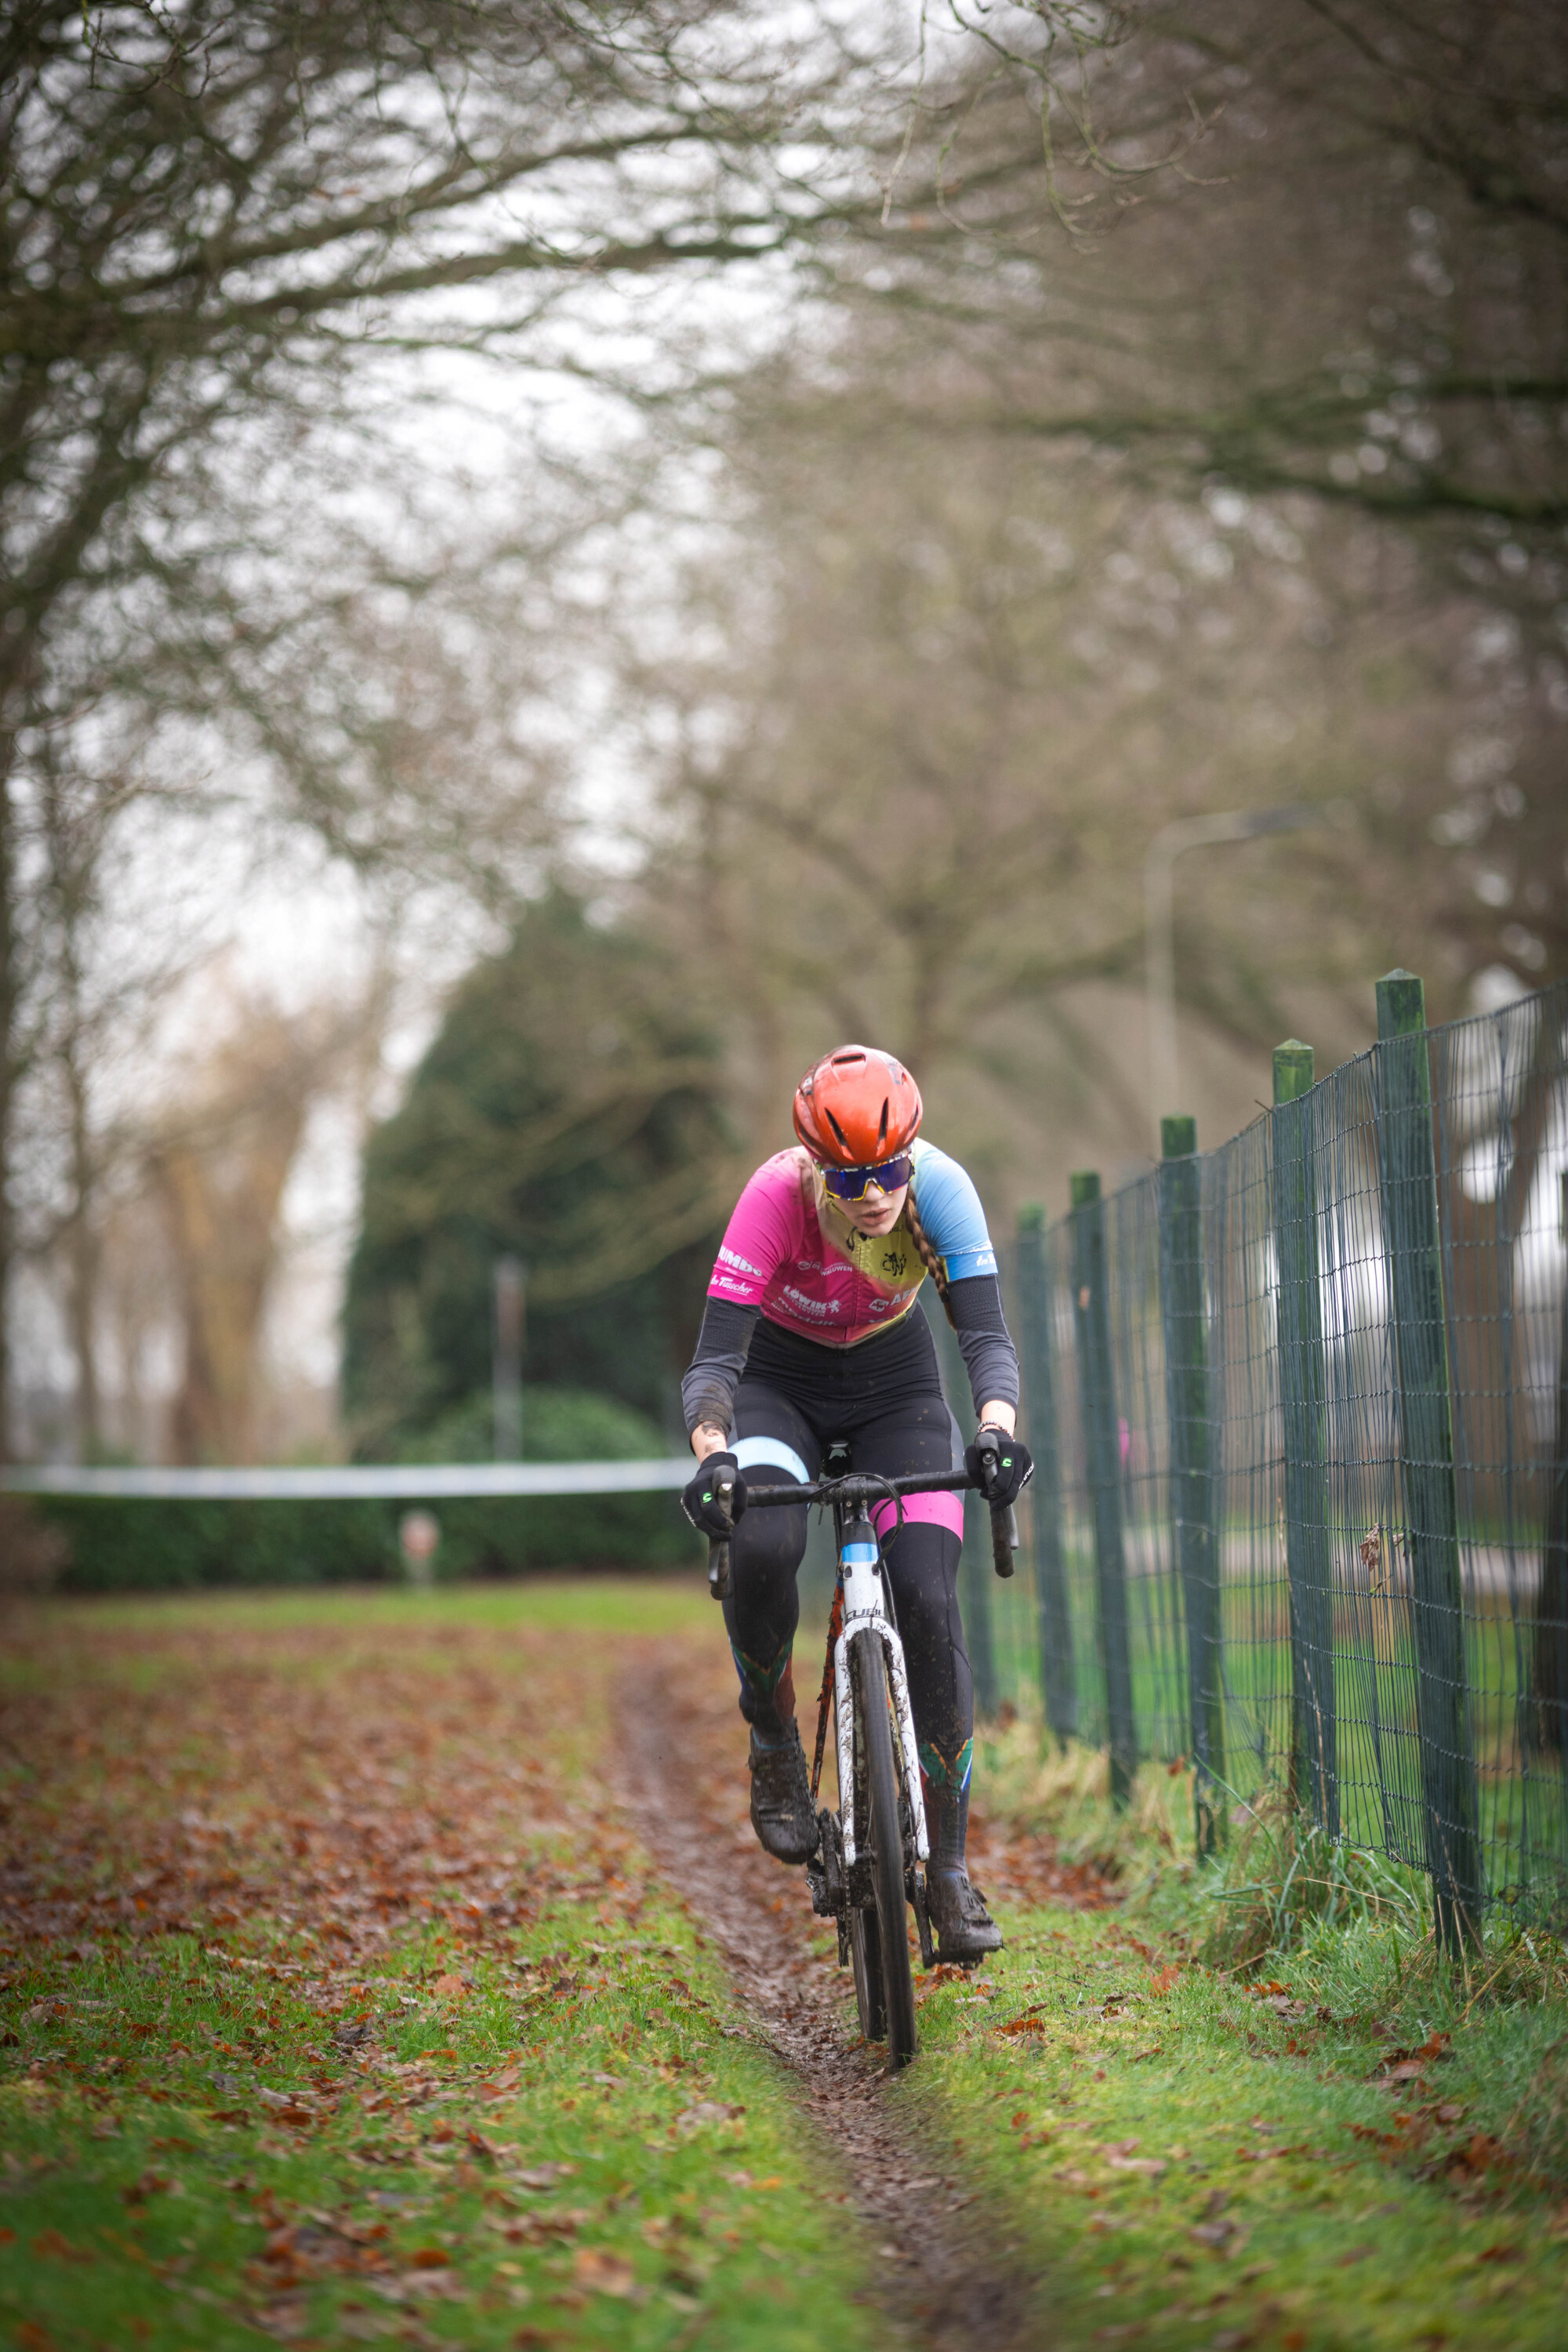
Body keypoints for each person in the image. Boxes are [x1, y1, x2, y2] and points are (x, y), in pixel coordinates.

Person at [679, 1044, 1033, 1964]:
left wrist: (992, 1429)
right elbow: (715, 1362)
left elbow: (985, 1336)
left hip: (896, 1389)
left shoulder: (942, 1192)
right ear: (816, 1167)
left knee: (926, 1593)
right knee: (761, 1546)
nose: (874, 1193)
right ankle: (772, 1741)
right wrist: (714, 1456)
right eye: (851, 1176)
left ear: (910, 1152)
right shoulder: (772, 1198)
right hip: (778, 1388)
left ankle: (949, 1873)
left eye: (888, 1169)